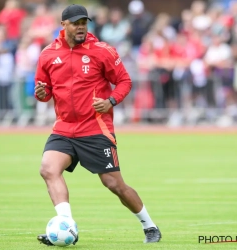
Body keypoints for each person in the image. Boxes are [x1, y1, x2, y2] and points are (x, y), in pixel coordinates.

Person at [34, 4, 162, 246]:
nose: (81, 26)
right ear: (63, 26)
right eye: (76, 23)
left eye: (84, 22)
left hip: (95, 128)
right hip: (64, 127)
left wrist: (111, 101)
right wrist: (41, 92)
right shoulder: (48, 54)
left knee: (113, 183)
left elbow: (124, 81)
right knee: (48, 169)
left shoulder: (102, 50)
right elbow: (44, 92)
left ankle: (150, 226)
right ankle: (66, 225)